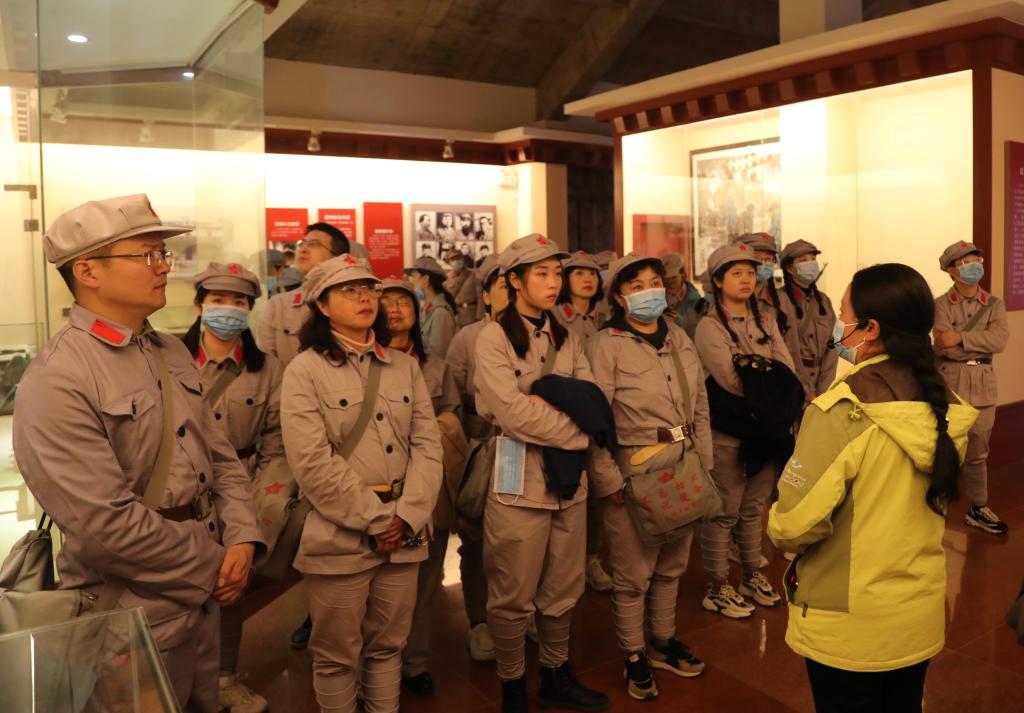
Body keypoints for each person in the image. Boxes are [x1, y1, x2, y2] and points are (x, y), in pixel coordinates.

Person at [14, 194, 264, 713]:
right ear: (88, 271)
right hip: (132, 611)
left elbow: (219, 458)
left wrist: (242, 535)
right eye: (147, 255)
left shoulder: (168, 349)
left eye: (162, 254)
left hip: (202, 600)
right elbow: (105, 524)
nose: (164, 266)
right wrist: (216, 563)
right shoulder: (60, 376)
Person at [768, 263, 977, 713]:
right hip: (915, 616)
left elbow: (792, 525)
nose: (839, 325)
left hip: (850, 623)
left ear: (870, 328)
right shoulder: (946, 406)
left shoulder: (842, 411)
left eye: (844, 314)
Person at [280, 255, 443, 713]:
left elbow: (428, 445)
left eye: (369, 288)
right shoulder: (304, 371)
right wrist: (376, 520)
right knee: (336, 655)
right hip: (340, 533)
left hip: (404, 530)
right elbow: (312, 462)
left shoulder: (403, 366)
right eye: (349, 290)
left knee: (389, 645)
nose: (365, 298)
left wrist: (407, 515)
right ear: (322, 305)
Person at [474, 234, 609, 713]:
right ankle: (512, 684)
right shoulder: (491, 338)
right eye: (542, 274)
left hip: (568, 481)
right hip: (518, 482)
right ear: (514, 280)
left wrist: (547, 399)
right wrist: (577, 432)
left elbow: (592, 398)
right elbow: (512, 414)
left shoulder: (566, 336)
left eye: (557, 274)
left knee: (563, 588)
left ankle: (556, 673)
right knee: (512, 595)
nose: (554, 283)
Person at [588, 253, 711, 701]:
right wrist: (608, 479)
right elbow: (594, 420)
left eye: (654, 282)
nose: (648, 292)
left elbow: (700, 403)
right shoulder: (606, 345)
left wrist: (705, 462)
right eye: (636, 286)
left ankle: (662, 640)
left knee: (672, 565)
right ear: (619, 298)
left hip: (684, 463)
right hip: (635, 468)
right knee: (633, 573)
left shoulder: (678, 336)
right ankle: (634, 653)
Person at [182, 263, 284, 713]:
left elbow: (276, 440)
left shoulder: (269, 369)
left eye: (238, 302)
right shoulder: (172, 358)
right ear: (199, 305)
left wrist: (260, 498)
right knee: (177, 585)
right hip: (181, 492)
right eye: (218, 300)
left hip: (240, 491)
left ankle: (224, 678)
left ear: (250, 309)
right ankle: (177, 680)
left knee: (229, 587)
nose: (228, 309)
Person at [695, 243, 797, 618]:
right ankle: (718, 584)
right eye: (736, 273)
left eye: (750, 273)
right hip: (730, 431)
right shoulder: (709, 326)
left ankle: (752, 573)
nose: (746, 280)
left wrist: (761, 375)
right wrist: (769, 380)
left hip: (766, 431)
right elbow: (732, 381)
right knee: (725, 511)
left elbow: (787, 370)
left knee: (755, 507)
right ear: (718, 280)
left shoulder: (765, 319)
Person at [377, 279, 463, 695]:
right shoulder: (361, 365)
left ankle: (414, 663)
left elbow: (453, 421)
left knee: (425, 582)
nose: (395, 309)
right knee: (378, 587)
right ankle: (377, 667)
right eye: (387, 302)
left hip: (429, 488)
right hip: (379, 489)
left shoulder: (436, 367)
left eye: (404, 302)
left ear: (418, 312)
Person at [445, 255, 507, 663]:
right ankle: (479, 620)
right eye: (503, 286)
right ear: (485, 295)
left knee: (524, 539)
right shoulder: (467, 338)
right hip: (481, 447)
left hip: (529, 449)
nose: (512, 293)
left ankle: (520, 612)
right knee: (476, 539)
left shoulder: (547, 335)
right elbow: (454, 402)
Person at [934, 240, 1010, 535]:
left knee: (978, 452)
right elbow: (944, 345)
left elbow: (999, 341)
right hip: (949, 383)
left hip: (982, 385)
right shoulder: (940, 305)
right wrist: (978, 339)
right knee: (944, 448)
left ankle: (978, 507)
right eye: (966, 262)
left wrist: (961, 338)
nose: (975, 265)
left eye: (977, 259)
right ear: (951, 270)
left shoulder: (994, 304)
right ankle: (934, 506)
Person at [553, 250, 612, 593]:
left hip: (603, 412)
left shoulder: (605, 316)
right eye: (578, 274)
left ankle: (592, 559)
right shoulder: (557, 318)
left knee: (599, 495)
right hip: (571, 415)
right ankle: (568, 565)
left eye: (592, 274)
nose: (588, 279)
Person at [260, 222, 350, 368]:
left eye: (313, 244)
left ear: (338, 257)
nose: (303, 249)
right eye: (302, 243)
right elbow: (268, 366)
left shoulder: (353, 301)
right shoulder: (278, 305)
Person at [781, 240, 838, 402]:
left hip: (821, 383)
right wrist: (807, 393)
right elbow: (785, 351)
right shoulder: (780, 301)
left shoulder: (824, 301)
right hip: (790, 385)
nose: (811, 264)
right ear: (789, 268)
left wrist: (824, 391)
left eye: (813, 259)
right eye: (803, 260)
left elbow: (833, 346)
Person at [404, 256, 457, 358]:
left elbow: (437, 355)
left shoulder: (441, 313)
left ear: (425, 279)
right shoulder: (426, 308)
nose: (411, 281)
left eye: (413, 276)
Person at [661, 251, 701, 332]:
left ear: (682, 274)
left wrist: (680, 321)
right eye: (666, 278)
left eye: (673, 277)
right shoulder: (657, 295)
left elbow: (699, 330)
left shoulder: (695, 299)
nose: (669, 281)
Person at [444, 249, 479, 328]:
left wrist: (479, 316)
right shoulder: (447, 278)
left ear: (463, 259)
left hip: (470, 315)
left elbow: (480, 296)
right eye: (453, 259)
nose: (456, 261)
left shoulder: (473, 274)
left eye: (458, 258)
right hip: (454, 316)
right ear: (449, 262)